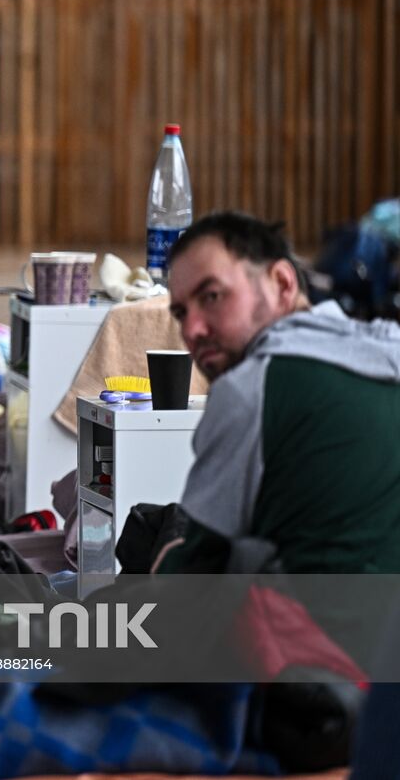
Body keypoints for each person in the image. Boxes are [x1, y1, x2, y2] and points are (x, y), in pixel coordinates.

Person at [157, 211, 400, 575]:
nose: (191, 329)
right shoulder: (388, 350)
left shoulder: (253, 388)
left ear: (283, 283)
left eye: (212, 296)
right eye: (180, 313)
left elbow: (190, 580)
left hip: (315, 627)